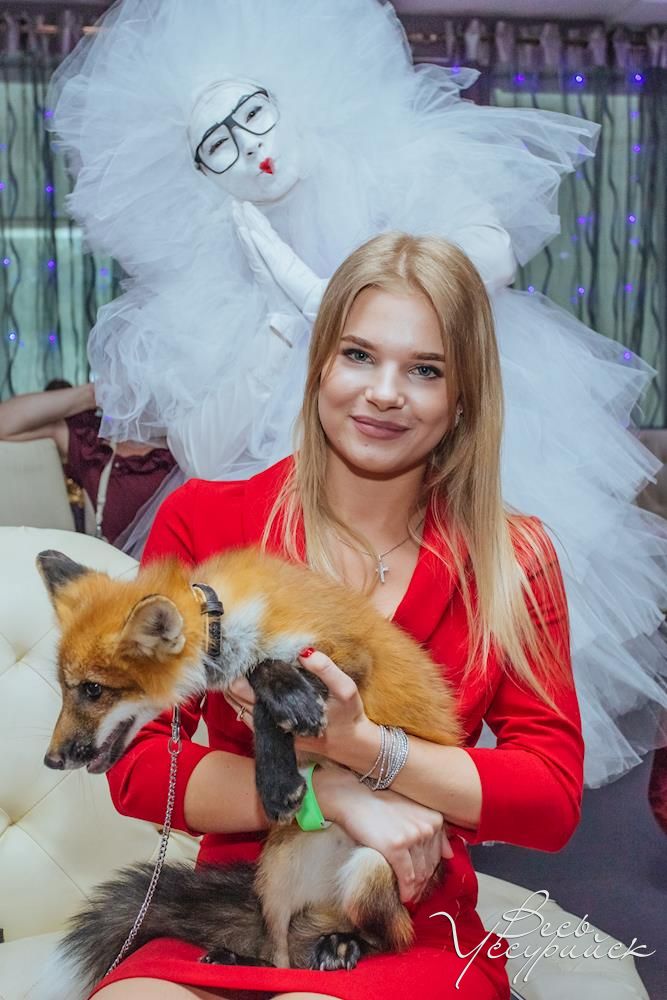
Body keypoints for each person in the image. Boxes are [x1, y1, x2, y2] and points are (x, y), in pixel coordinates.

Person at [47, 0, 667, 790]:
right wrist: (286, 326)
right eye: (218, 143)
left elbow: (490, 255)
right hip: (280, 555)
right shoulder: (211, 492)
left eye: (252, 115)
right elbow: (204, 447)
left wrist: (342, 297)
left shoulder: (513, 552)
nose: (250, 148)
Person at [89, 234, 585, 1000]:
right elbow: (140, 764)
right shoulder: (206, 521)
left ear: (462, 397)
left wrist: (367, 750)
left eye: (424, 370)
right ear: (319, 363)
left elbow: (549, 796)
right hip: (245, 902)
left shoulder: (512, 558)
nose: (384, 393)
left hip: (395, 910)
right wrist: (327, 794)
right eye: (358, 355)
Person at [0, 382, 178, 548]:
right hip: (109, 568)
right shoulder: (94, 445)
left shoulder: (182, 452)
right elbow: (5, 423)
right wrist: (92, 394)